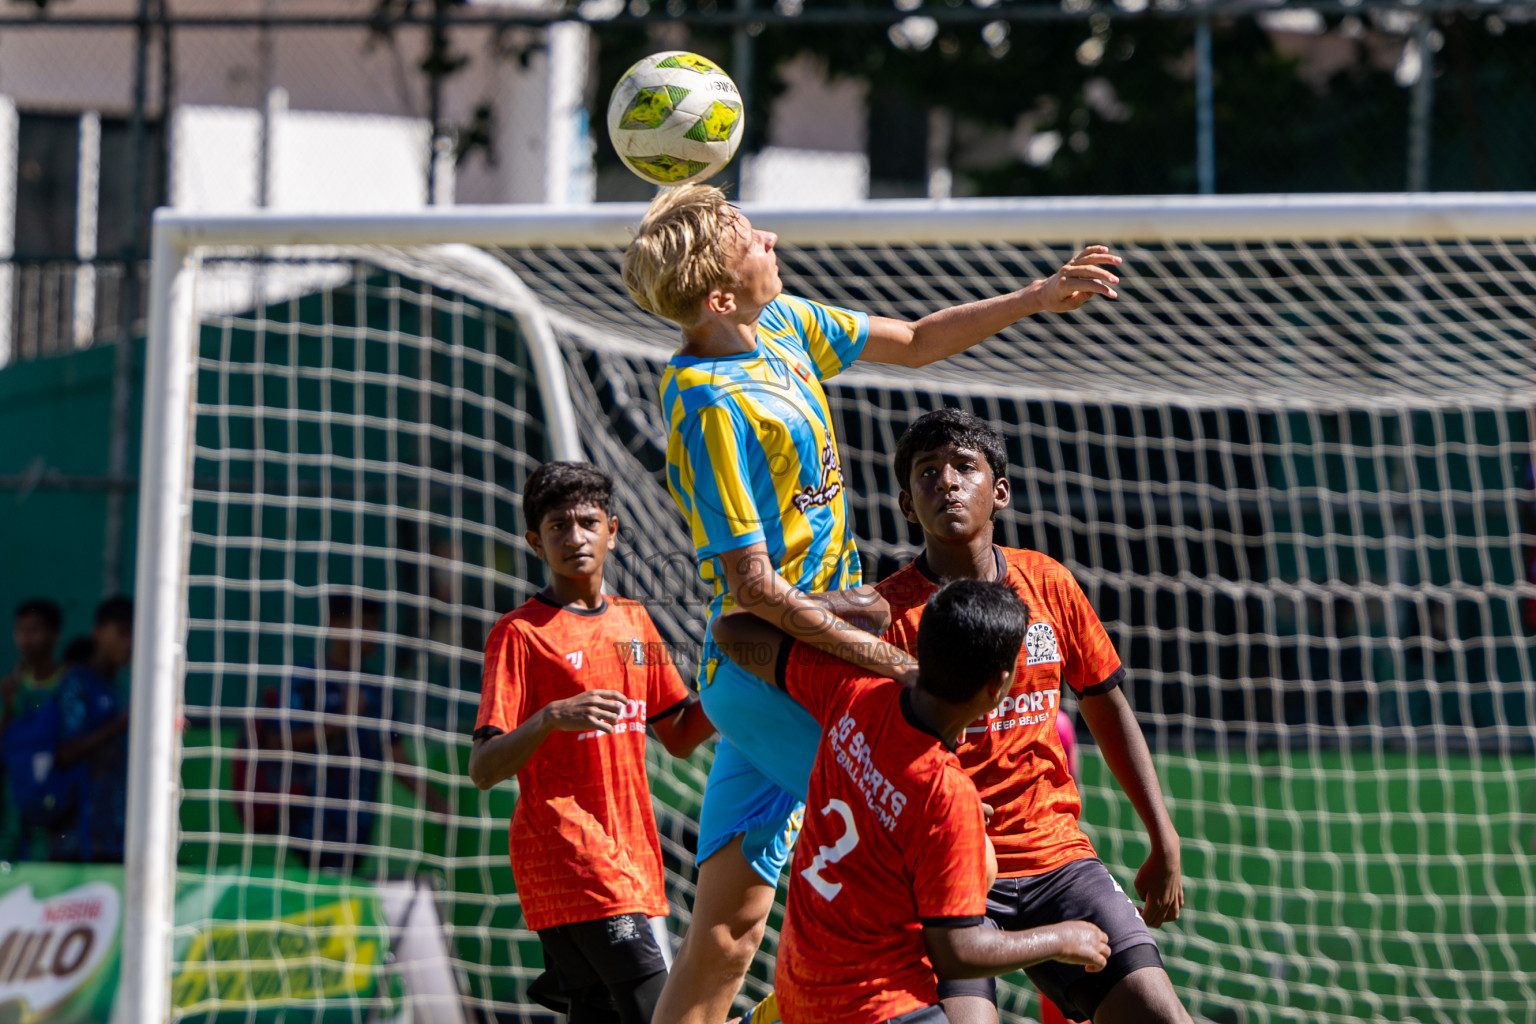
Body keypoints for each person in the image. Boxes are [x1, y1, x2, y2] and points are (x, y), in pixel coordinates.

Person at [620, 183, 1123, 1024]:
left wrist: (1037, 297)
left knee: (727, 932)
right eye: (753, 237)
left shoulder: (777, 325)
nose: (773, 237)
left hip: (815, 659)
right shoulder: (709, 405)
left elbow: (921, 342)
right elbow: (752, 589)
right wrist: (892, 660)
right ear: (718, 296)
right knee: (932, 848)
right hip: (772, 672)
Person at [875, 408, 1190, 1024]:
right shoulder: (887, 616)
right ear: (908, 504)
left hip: (1057, 859)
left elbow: (1106, 705)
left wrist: (1163, 834)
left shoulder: (1048, 583)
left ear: (1000, 492)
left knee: (1161, 1016)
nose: (946, 481)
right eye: (927, 472)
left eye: (965, 467)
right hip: (948, 874)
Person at [713, 579, 1111, 1024]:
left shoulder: (854, 693)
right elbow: (958, 953)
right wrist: (1062, 938)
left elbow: (731, 628)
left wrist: (873, 641)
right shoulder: (948, 795)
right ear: (999, 686)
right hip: (880, 1008)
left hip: (800, 989)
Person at [471, 462, 716, 1024]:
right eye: (558, 526)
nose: (574, 537)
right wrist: (551, 717)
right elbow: (483, 768)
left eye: (587, 522)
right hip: (570, 857)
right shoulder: (519, 634)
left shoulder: (635, 622)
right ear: (536, 541)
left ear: (613, 529)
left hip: (631, 859)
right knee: (661, 1013)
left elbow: (678, 735)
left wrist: (739, 694)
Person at [253, 592, 447, 872]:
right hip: (312, 820)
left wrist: (436, 801)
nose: (372, 635)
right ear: (336, 625)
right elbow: (277, 743)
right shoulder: (308, 678)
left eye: (375, 627)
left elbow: (393, 752)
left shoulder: (376, 688)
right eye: (364, 625)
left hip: (360, 823)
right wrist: (343, 720)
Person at [50, 595, 134, 863]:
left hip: (114, 836)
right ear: (98, 633)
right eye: (122, 632)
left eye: (135, 633)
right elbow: (64, 751)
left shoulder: (115, 689)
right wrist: (118, 726)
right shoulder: (76, 683)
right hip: (77, 839)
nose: (130, 642)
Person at [1, 598, 66, 859]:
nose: (26, 639)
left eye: (35, 630)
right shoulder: (11, 687)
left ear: (54, 634)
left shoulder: (68, 684)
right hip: (14, 798)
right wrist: (7, 707)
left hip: (56, 798)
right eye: (21, 631)